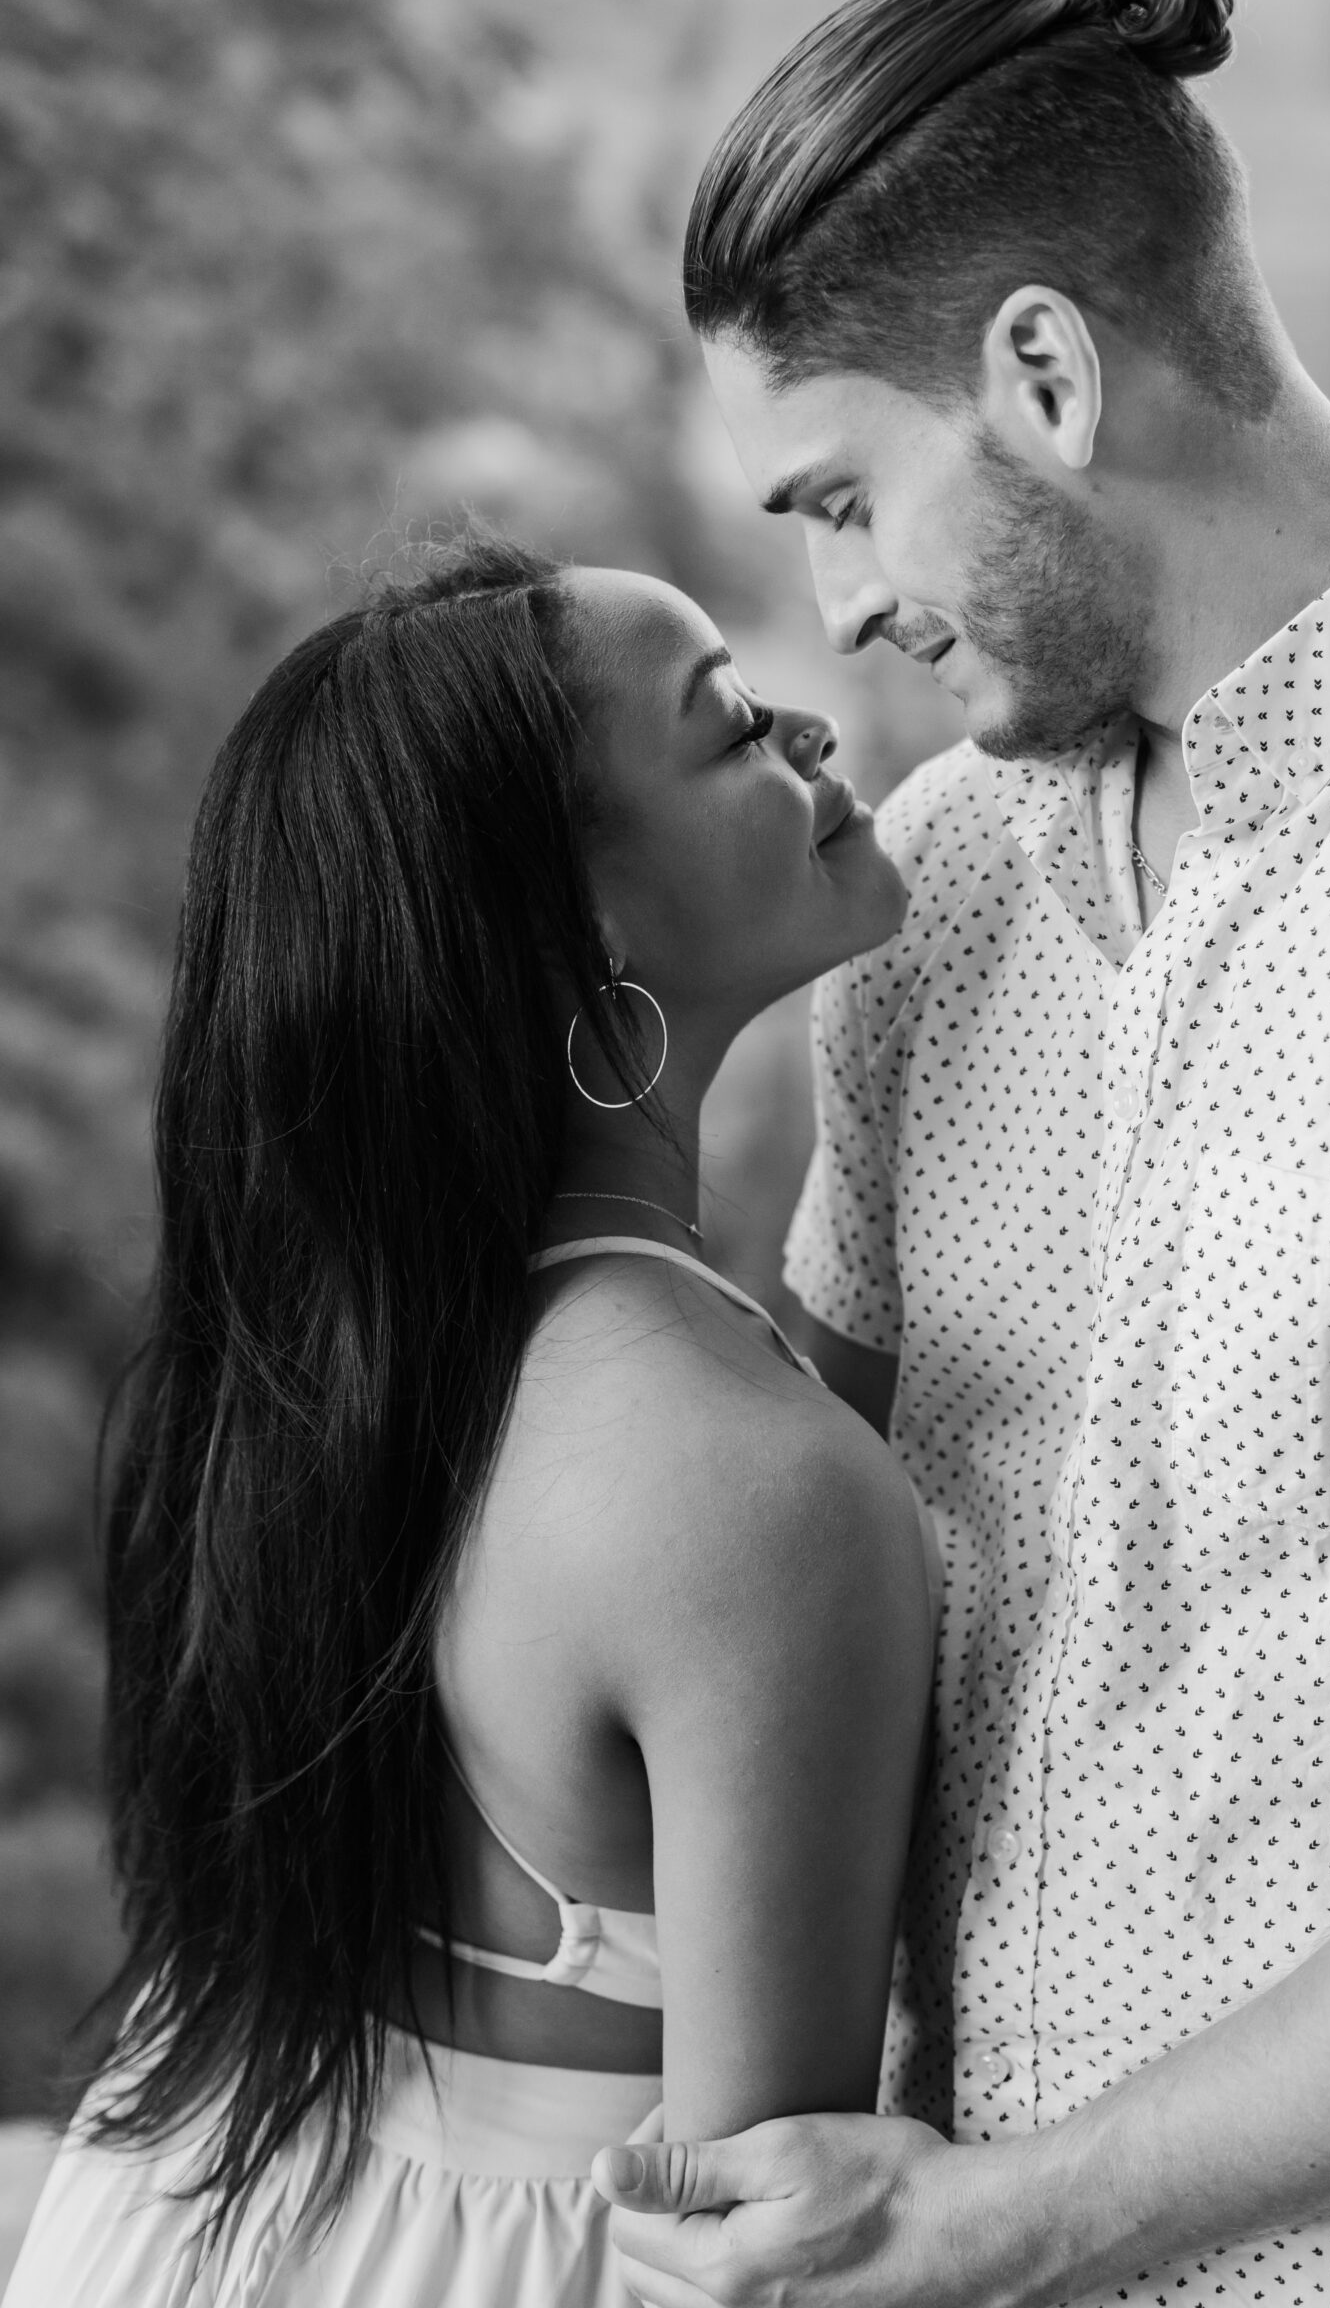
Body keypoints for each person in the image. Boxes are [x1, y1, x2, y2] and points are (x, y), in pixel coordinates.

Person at [596, 0, 1330, 2308]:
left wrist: (1012, 2218)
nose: (840, 613)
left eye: (834, 501)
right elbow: (797, 1594)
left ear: (1040, 373)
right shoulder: (938, 894)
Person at [3, 533, 936, 2307]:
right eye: (731, 726)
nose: (813, 730)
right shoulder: (744, 1486)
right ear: (577, 922)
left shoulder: (315, 1352)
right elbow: (762, 2250)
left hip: (184, 2213)